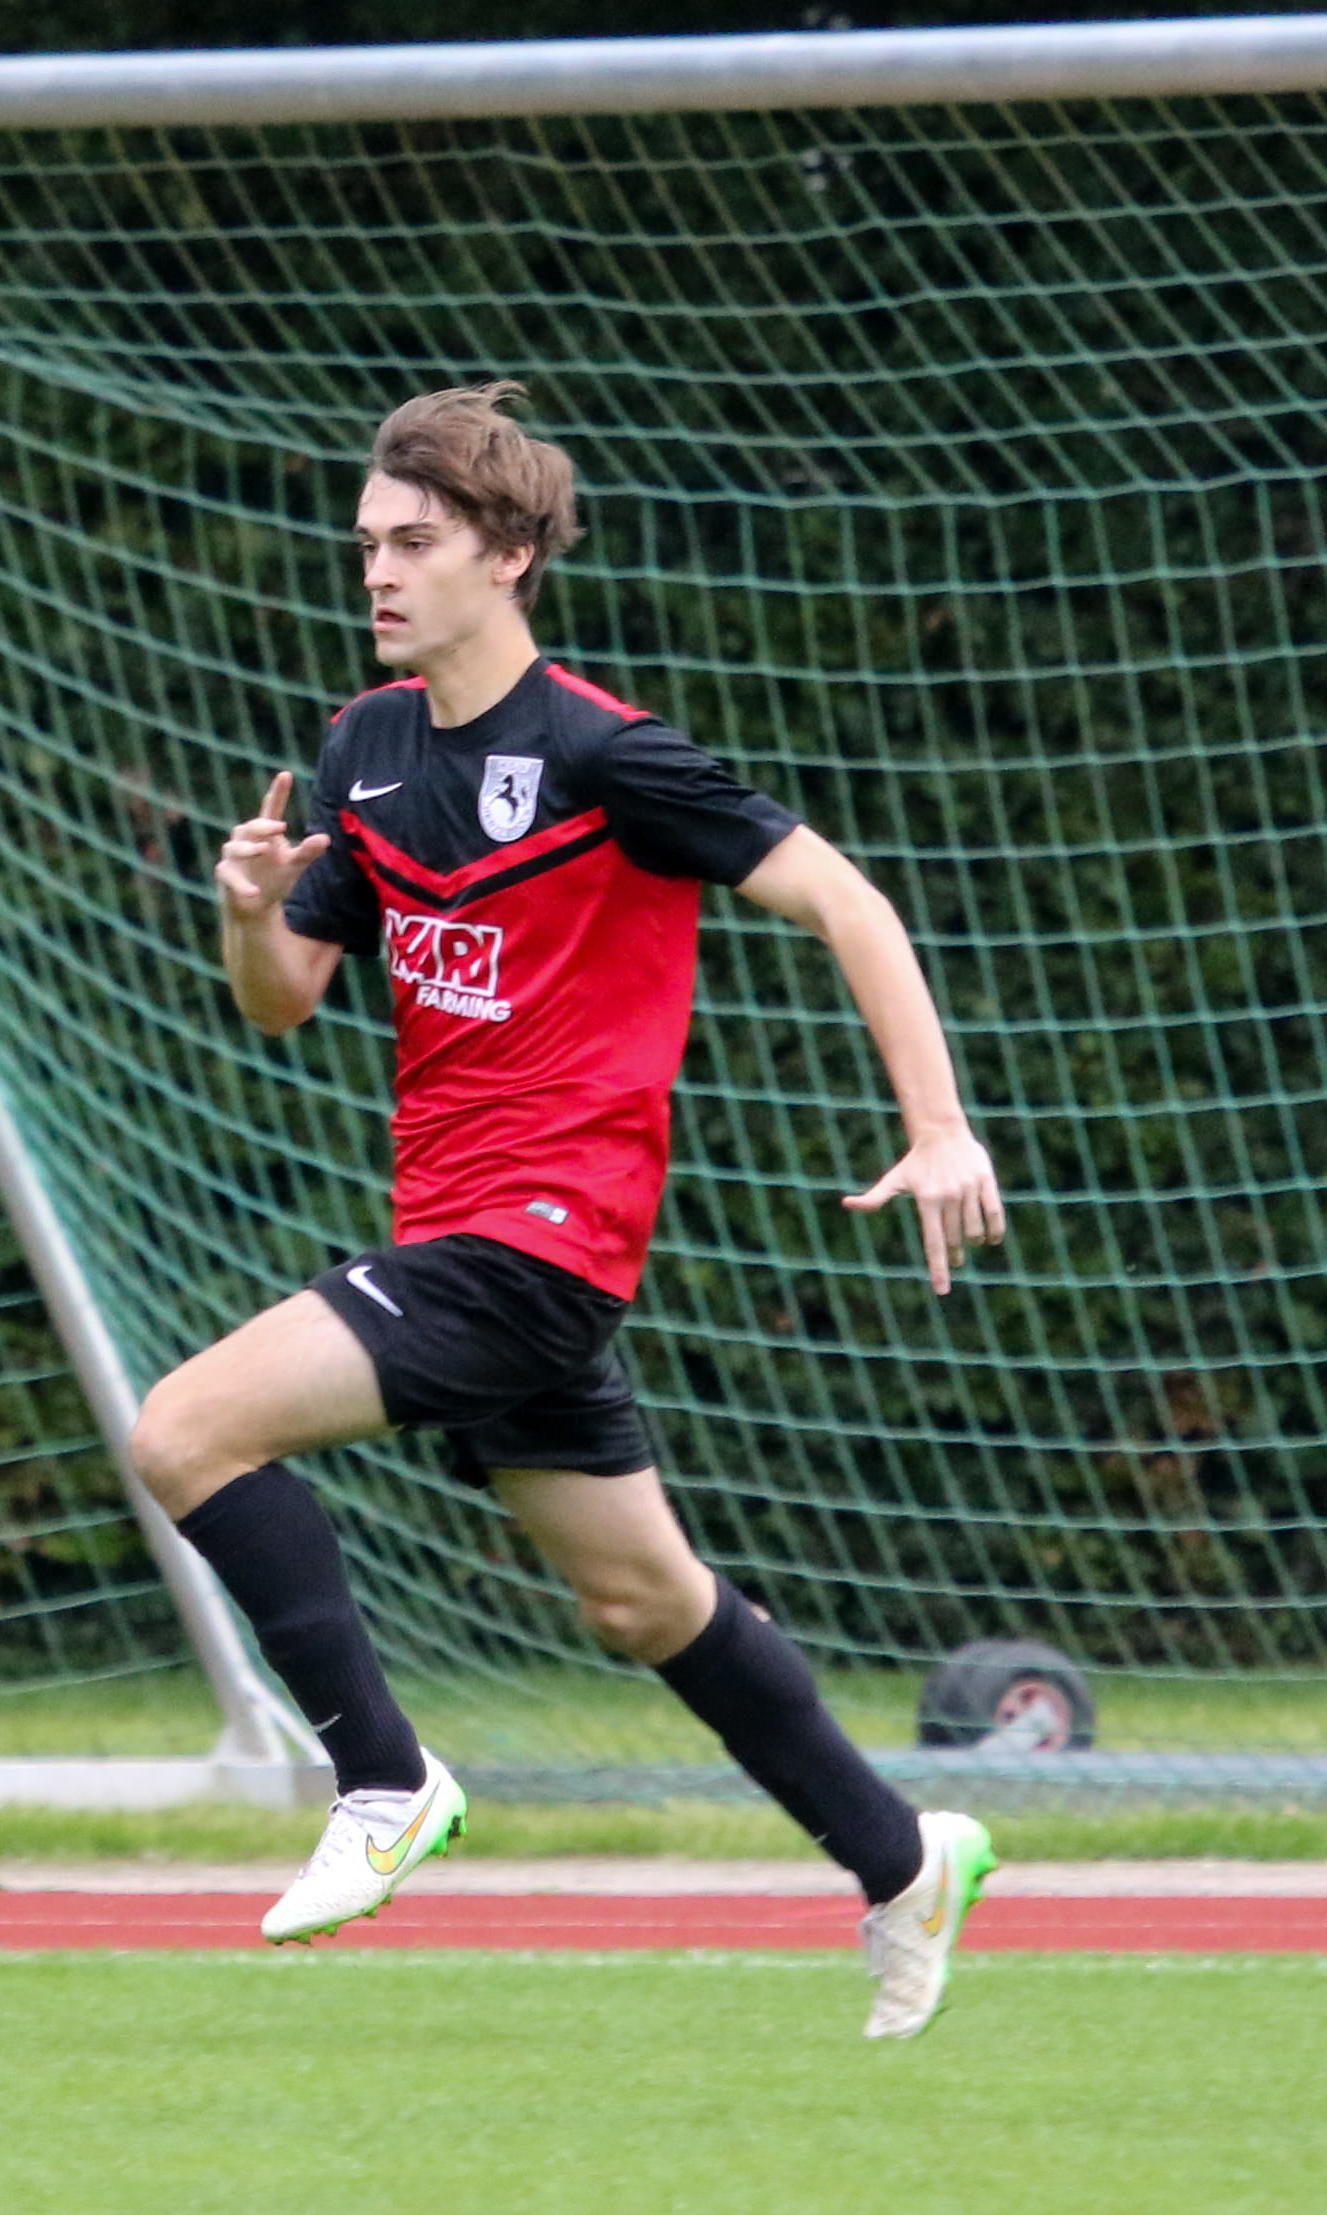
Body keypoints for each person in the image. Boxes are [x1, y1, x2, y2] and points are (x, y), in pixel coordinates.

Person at [130, 382, 1008, 2039]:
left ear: (508, 554)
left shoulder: (605, 754)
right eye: (368, 543)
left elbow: (846, 899)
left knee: (184, 1430)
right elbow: (283, 998)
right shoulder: (364, 747)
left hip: (539, 1239)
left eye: (414, 543)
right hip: (460, 1233)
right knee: (642, 1604)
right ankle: (903, 1860)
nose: (376, 571)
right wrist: (246, 910)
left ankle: (383, 1783)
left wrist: (938, 1127)